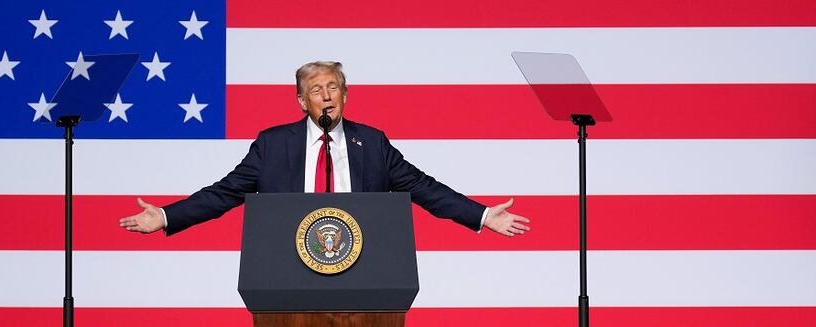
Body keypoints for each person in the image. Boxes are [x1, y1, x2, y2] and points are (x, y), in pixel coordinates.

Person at [119, 61, 531, 238]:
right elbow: (224, 193)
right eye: (316, 89)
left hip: (364, 270)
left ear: (345, 95)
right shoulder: (273, 144)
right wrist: (167, 215)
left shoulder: (371, 142)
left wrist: (481, 215)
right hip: (287, 270)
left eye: (334, 87)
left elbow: (424, 188)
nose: (327, 95)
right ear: (302, 101)